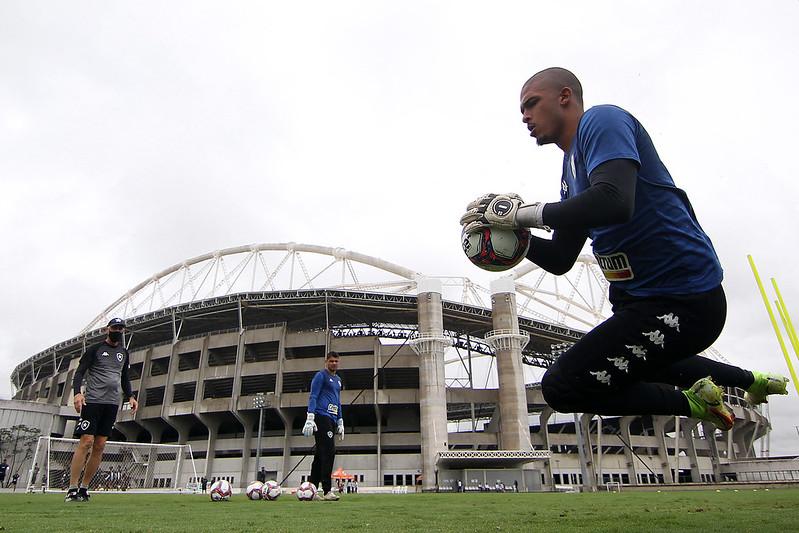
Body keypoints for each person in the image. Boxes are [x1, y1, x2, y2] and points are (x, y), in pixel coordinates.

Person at [460, 67, 789, 432]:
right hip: (640, 302)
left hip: (683, 297)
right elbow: (560, 258)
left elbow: (614, 200)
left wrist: (521, 215)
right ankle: (752, 381)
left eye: (532, 103)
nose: (525, 116)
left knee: (562, 386)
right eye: (522, 109)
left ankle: (695, 403)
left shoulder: (602, 121)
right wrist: (509, 237)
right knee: (640, 361)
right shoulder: (571, 175)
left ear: (564, 97)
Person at [65, 318, 138, 502]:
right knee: (86, 441)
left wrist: (130, 396)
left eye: (121, 328)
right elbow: (80, 372)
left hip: (112, 403)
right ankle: (72, 488)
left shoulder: (124, 353)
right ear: (107, 329)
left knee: (100, 445)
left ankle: (84, 488)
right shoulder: (95, 349)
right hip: (92, 401)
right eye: (115, 328)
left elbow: (124, 377)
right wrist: (77, 393)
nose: (118, 331)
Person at [302, 351, 344, 501]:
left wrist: (340, 420)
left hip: (332, 418)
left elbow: (337, 401)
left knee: (320, 454)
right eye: (331, 361)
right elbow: (313, 396)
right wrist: (310, 417)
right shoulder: (321, 376)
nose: (334, 363)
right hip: (321, 416)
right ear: (326, 361)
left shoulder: (338, 380)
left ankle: (312, 490)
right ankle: (327, 490)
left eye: (336, 361)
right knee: (329, 451)